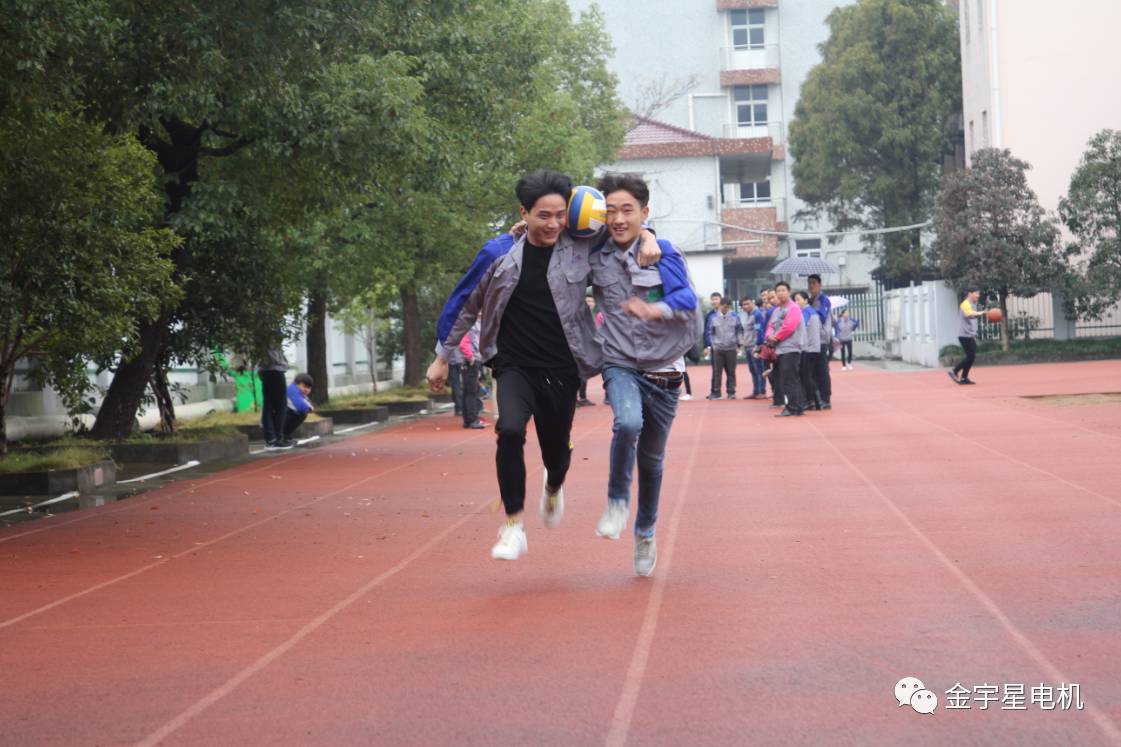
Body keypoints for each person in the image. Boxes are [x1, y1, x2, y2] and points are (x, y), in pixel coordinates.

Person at [426, 169, 660, 562]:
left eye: (559, 215)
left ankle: (553, 485)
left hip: (563, 367)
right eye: (543, 216)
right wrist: (441, 357)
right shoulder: (498, 253)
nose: (552, 224)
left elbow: (626, 236)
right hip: (513, 364)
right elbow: (465, 303)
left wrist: (649, 236)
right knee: (509, 430)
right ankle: (513, 526)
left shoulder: (581, 246)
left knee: (556, 453)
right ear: (524, 213)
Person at [589, 173, 697, 576]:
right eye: (610, 211)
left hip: (665, 370)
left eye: (627, 210)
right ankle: (617, 501)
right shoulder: (595, 253)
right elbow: (557, 246)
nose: (618, 219)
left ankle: (646, 531)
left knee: (651, 461)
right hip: (620, 361)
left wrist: (655, 309)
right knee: (627, 422)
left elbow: (686, 297)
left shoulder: (663, 251)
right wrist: (518, 233)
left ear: (644, 213)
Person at [765, 281, 806, 417]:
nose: (781, 293)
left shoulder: (793, 308)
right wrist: (769, 336)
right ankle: (797, 406)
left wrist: (775, 338)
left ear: (789, 292)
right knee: (790, 378)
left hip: (791, 347)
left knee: (790, 379)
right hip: (781, 349)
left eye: (783, 290)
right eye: (778, 291)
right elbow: (770, 326)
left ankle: (792, 407)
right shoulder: (777, 311)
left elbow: (789, 327)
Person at [705, 297, 743, 399]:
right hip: (718, 348)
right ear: (720, 305)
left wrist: (739, 345)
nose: (725, 309)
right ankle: (716, 392)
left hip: (731, 348)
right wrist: (712, 345)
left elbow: (739, 331)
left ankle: (731, 392)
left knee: (731, 371)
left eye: (727, 307)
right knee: (717, 372)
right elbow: (710, 332)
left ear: (729, 307)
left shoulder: (735, 317)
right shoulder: (713, 318)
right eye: (723, 306)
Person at [257, 344, 291, 450]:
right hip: (274, 370)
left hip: (265, 371)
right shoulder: (270, 336)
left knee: (269, 405)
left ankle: (272, 439)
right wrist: (284, 364)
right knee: (280, 406)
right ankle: (276, 439)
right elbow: (273, 354)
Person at [807, 274, 833, 410]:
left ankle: (826, 398)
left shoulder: (824, 300)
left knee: (822, 370)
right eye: (809, 283)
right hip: (811, 340)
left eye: (814, 283)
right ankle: (817, 398)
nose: (811, 285)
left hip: (822, 339)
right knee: (813, 371)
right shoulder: (810, 300)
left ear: (820, 284)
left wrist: (809, 310)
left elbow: (822, 316)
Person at [949, 288, 985, 385]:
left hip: (970, 335)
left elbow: (972, 319)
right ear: (970, 294)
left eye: (978, 293)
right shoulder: (965, 304)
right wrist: (980, 313)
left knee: (971, 357)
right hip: (964, 335)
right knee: (970, 356)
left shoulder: (973, 304)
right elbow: (969, 314)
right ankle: (955, 370)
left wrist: (973, 334)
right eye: (976, 293)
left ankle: (964, 378)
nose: (978, 295)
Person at [794, 291, 822, 410]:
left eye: (798, 299)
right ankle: (815, 401)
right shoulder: (813, 311)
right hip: (814, 347)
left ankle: (813, 400)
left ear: (806, 300)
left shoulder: (805, 312)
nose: (796, 302)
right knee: (808, 375)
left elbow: (802, 327)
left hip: (808, 348)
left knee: (806, 376)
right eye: (795, 300)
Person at [460, 321, 485, 429]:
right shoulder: (469, 323)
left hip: (473, 360)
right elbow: (463, 342)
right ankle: (472, 420)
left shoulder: (475, 323)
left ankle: (467, 420)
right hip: (471, 361)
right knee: (471, 392)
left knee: (468, 391)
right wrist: (470, 357)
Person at [740, 296, 766, 398]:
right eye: (743, 305)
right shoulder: (747, 315)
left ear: (752, 303)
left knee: (759, 369)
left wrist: (758, 345)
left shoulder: (757, 314)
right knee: (753, 371)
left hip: (755, 347)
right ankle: (756, 391)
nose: (745, 306)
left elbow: (759, 331)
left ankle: (761, 391)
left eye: (747, 304)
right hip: (748, 346)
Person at [577, 296, 600, 407]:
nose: (590, 303)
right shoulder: (579, 314)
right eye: (588, 301)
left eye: (592, 301)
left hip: (588, 348)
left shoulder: (596, 315)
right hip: (579, 346)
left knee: (584, 375)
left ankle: (583, 397)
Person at [281, 373, 315, 442]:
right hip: (271, 423)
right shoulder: (292, 390)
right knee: (299, 413)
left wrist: (309, 408)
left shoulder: (301, 395)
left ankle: (285, 435)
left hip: (276, 420)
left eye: (309, 388)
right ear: (296, 384)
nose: (307, 390)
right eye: (304, 386)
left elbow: (309, 405)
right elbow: (300, 406)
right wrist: (308, 408)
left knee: (301, 414)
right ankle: (282, 436)